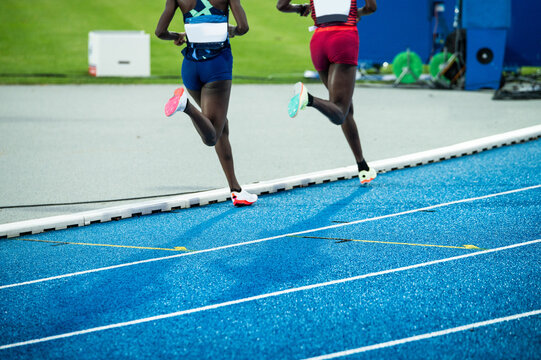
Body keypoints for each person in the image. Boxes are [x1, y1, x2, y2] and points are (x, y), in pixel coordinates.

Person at [155, 0, 258, 206]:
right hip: (216, 66)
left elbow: (160, 32)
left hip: (190, 68)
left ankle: (236, 189)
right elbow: (244, 27)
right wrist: (233, 31)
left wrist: (178, 36)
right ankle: (186, 107)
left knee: (221, 126)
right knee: (211, 137)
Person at [276, 0, 378, 184]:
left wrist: (300, 8)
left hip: (319, 40)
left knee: (346, 109)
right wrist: (359, 13)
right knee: (339, 112)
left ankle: (362, 166)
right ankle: (308, 99)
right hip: (344, 39)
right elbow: (371, 8)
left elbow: (281, 5)